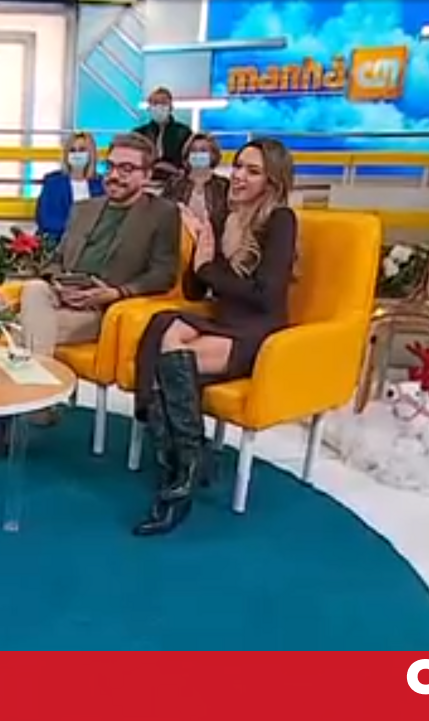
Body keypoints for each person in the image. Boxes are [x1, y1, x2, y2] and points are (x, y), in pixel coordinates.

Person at [0, 132, 178, 461]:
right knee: (22, 294)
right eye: (111, 166)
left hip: (103, 310)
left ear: (146, 175)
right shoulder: (84, 208)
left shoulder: (162, 213)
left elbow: (163, 273)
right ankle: (37, 401)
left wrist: (114, 292)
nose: (115, 175)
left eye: (127, 169)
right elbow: (55, 259)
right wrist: (57, 281)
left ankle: (6, 425)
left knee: (17, 331)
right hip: (59, 296)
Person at [130, 137, 297, 537]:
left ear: (272, 181)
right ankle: (186, 462)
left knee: (172, 358)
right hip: (225, 321)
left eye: (253, 171)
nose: (239, 176)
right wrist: (197, 249)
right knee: (163, 326)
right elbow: (195, 290)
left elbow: (265, 294)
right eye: (238, 167)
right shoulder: (226, 218)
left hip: (259, 330)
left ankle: (180, 481)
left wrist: (208, 268)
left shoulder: (281, 220)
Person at [34, 131, 104, 246]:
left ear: (91, 154)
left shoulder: (101, 184)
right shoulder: (53, 182)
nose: (77, 154)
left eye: (82, 150)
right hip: (57, 243)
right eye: (72, 150)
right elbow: (46, 219)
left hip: (93, 245)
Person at [163, 133, 230, 227]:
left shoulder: (224, 185)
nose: (198, 154)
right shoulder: (174, 184)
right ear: (187, 156)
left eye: (203, 150)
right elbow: (164, 214)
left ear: (213, 155)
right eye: (193, 151)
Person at [132, 87, 193, 185]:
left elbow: (189, 160)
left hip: (176, 182)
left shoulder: (184, 132)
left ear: (171, 107)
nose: (159, 107)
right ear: (149, 108)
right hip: (146, 182)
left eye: (163, 103)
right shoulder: (139, 134)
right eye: (155, 103)